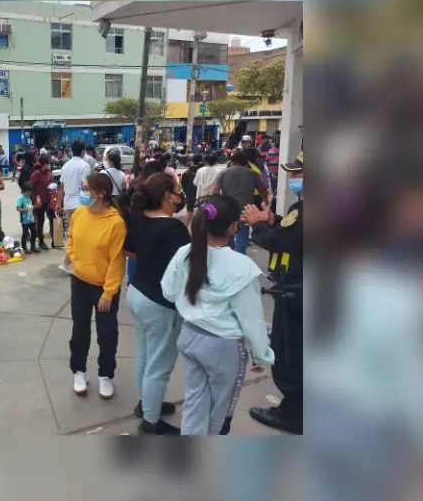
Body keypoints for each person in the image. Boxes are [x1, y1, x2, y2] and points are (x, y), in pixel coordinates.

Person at [161, 195, 275, 436]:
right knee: (219, 412)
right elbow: (251, 318)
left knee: (194, 402)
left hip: (190, 337)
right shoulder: (242, 266)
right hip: (225, 348)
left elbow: (169, 292)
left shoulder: (185, 252)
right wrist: (261, 355)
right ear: (235, 226)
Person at [241, 151, 303, 434]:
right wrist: (276, 218)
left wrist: (258, 223)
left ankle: (292, 413)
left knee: (288, 351)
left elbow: (276, 241)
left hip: (296, 294)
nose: (293, 178)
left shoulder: (303, 211)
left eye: (298, 173)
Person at [125, 172, 190, 435]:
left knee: (145, 355)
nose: (179, 196)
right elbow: (189, 265)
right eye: (176, 191)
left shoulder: (139, 218)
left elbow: (130, 252)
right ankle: (151, 422)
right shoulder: (173, 228)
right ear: (167, 196)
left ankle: (146, 404)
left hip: (137, 293)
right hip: (160, 304)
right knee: (159, 366)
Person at [67, 172, 126, 399]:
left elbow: (116, 262)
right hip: (79, 282)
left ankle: (106, 375)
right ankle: (79, 371)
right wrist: (72, 257)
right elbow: (71, 238)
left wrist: (108, 293)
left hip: (103, 289)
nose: (82, 193)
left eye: (85, 189)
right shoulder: (80, 213)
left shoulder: (115, 223)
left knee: (106, 334)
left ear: (100, 195)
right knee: (79, 330)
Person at [212, 151, 268, 254]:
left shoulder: (224, 172)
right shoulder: (252, 174)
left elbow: (215, 189)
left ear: (232, 162)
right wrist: (266, 202)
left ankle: (229, 253)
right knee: (242, 233)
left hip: (227, 208)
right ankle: (240, 255)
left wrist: (219, 201)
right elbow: (262, 191)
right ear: (246, 163)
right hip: (245, 210)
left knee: (228, 231)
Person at [56, 141, 92, 273]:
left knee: (73, 235)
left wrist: (58, 203)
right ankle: (69, 263)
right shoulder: (85, 166)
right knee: (79, 236)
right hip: (80, 204)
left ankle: (69, 262)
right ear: (83, 151)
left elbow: (61, 187)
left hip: (68, 204)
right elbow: (85, 186)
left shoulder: (66, 166)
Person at [181, 153, 203, 227]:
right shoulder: (202, 171)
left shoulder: (186, 172)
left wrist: (185, 192)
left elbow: (182, 185)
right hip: (201, 194)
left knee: (189, 211)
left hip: (189, 193)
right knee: (201, 212)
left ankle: (185, 228)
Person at [16, 181, 38, 253]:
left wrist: (35, 206)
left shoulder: (29, 198)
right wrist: (25, 209)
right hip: (24, 220)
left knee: (34, 233)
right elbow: (18, 208)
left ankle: (33, 247)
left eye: (30, 193)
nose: (29, 194)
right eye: (28, 193)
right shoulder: (21, 198)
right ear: (24, 191)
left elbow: (31, 207)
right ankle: (24, 248)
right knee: (25, 234)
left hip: (31, 219)